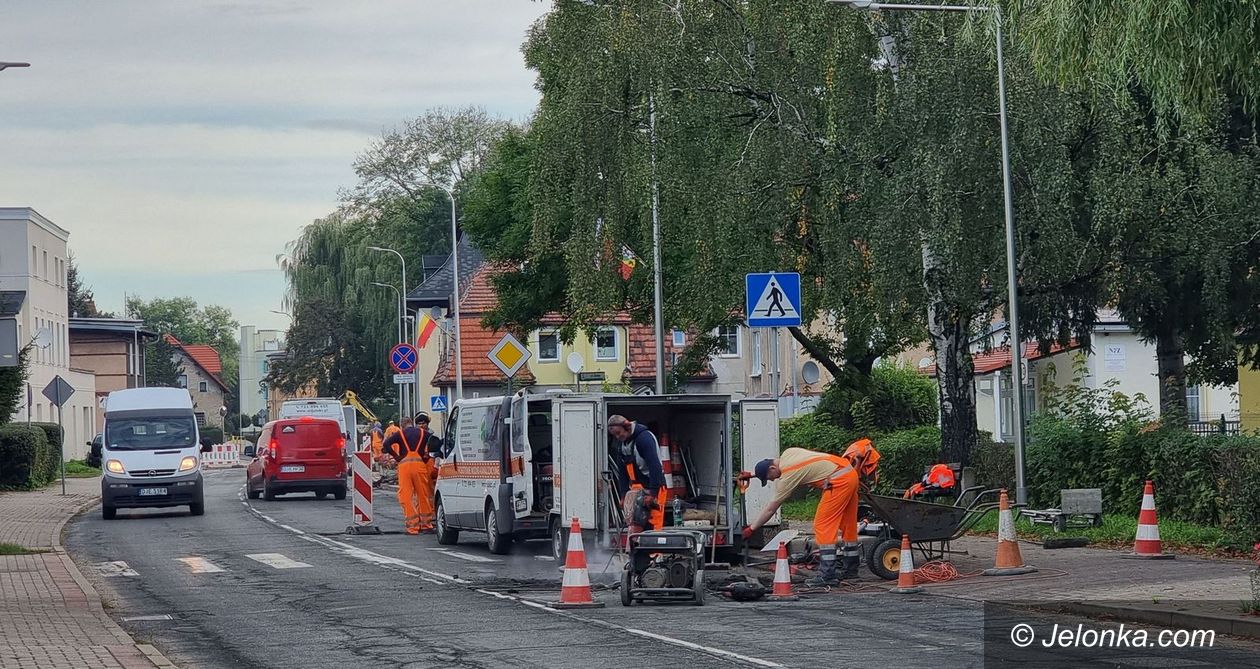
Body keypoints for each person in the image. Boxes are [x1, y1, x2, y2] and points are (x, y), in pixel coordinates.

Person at [741, 439, 880, 585]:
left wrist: (752, 528)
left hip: (838, 482)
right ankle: (851, 570)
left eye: (769, 478)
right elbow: (797, 465)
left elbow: (771, 508)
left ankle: (827, 576)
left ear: (772, 469)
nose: (772, 480)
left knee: (822, 525)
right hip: (849, 474)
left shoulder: (788, 476)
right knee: (848, 525)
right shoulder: (789, 453)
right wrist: (752, 475)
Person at [381, 416, 442, 534]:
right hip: (420, 466)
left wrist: (396, 456)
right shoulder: (424, 433)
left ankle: (412, 527)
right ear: (411, 423)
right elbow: (435, 443)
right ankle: (426, 525)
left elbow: (387, 444)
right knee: (423, 495)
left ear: (402, 425)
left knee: (406, 495)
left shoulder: (400, 434)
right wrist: (427, 456)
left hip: (404, 467)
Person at [607, 415, 668, 531]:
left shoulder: (644, 439)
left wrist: (652, 494)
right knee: (634, 526)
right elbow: (622, 472)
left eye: (619, 433)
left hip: (653, 486)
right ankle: (636, 549)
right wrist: (623, 494)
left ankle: (653, 549)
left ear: (627, 427)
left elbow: (655, 466)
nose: (618, 437)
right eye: (614, 435)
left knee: (652, 525)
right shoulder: (623, 443)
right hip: (637, 489)